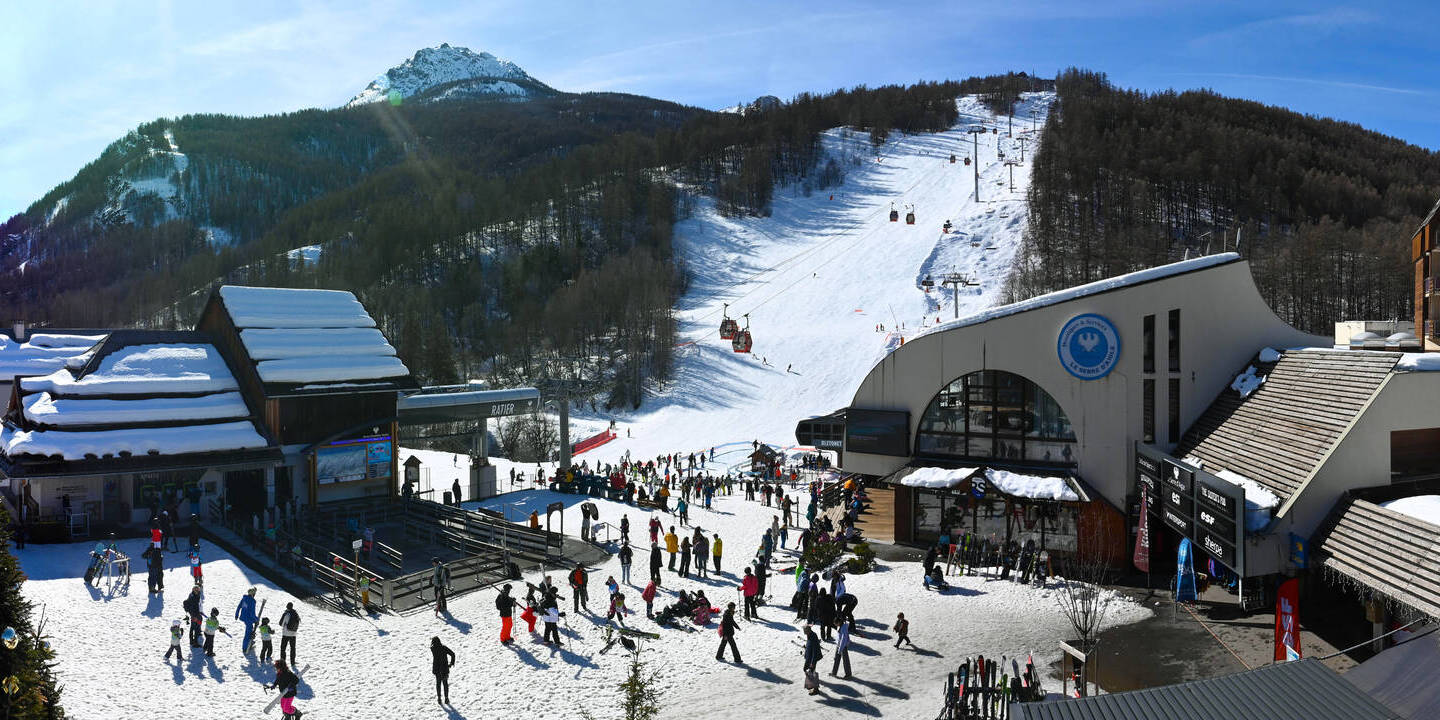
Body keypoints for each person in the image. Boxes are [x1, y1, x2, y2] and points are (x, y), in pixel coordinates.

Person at [431, 637, 455, 704]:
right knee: (445, 684)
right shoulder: (444, 648)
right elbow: (453, 654)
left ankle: (439, 699)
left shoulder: (433, 649)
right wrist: (451, 663)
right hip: (444, 669)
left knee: (438, 684)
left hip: (437, 669)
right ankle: (446, 699)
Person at [235, 587, 259, 654]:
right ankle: (245, 648)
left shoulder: (244, 598)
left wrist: (236, 614)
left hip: (243, 617)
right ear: (253, 594)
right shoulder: (252, 601)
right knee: (248, 633)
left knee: (250, 630)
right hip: (249, 618)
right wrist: (256, 619)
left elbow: (239, 606)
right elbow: (252, 613)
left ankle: (249, 642)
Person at [803, 625, 823, 695]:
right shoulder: (810, 635)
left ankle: (815, 689)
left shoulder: (813, 636)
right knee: (810, 671)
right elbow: (809, 646)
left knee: (812, 672)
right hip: (810, 658)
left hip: (812, 658)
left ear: (808, 630)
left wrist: (812, 662)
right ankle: (812, 686)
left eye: (805, 631)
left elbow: (815, 650)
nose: (804, 632)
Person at [278, 602, 300, 666]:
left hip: (286, 634)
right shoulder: (296, 614)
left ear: (287, 606)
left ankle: (282, 662)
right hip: (293, 634)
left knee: (283, 648)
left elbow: (281, 624)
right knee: (293, 648)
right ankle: (292, 662)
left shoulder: (286, 614)